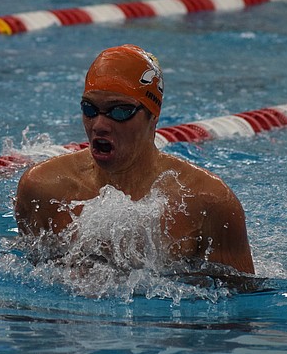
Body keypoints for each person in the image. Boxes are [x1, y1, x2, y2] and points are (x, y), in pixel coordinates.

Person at [14, 44, 255, 275]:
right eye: (89, 109)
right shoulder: (43, 188)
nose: (99, 125)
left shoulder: (208, 201)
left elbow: (241, 306)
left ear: (153, 115)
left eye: (119, 111)